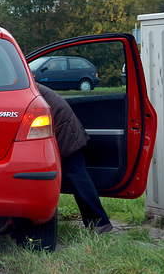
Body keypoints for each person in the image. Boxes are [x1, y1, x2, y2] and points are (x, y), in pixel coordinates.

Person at [37, 83, 114, 234]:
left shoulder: (20, 82)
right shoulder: (23, 79)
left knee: (78, 178)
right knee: (77, 178)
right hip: (64, 129)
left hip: (63, 132)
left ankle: (100, 223)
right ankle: (98, 223)